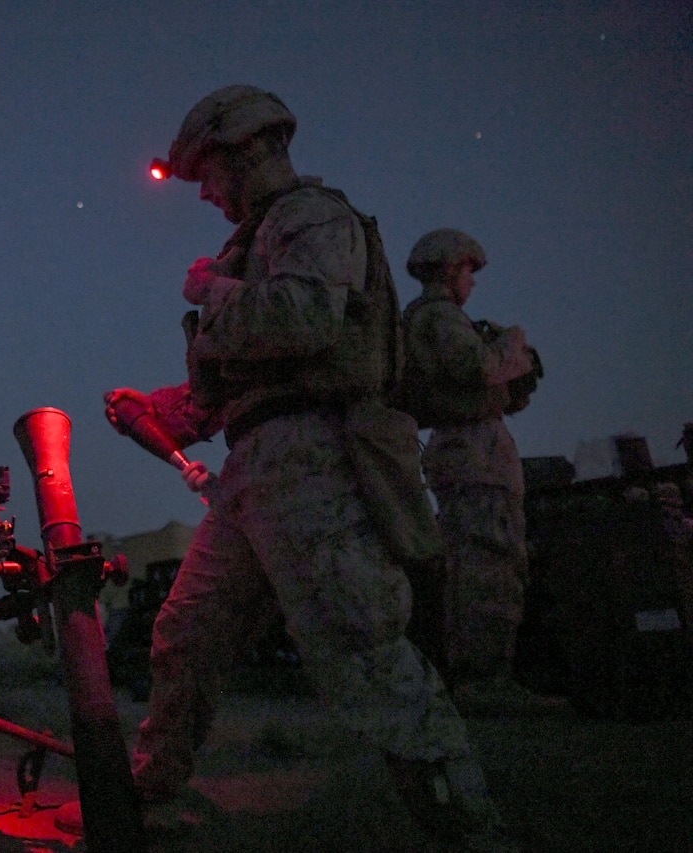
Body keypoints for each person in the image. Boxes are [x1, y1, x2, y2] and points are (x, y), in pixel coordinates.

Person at [103, 86, 515, 848]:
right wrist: (156, 408)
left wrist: (213, 293)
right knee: (186, 632)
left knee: (365, 648)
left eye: (210, 174)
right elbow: (230, 393)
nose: (208, 193)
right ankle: (148, 792)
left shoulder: (313, 220)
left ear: (247, 149)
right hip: (256, 469)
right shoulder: (255, 241)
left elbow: (307, 319)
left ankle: (472, 832)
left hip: (314, 460)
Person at [400, 230, 545, 705]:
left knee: (491, 561)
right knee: (485, 563)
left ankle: (484, 675)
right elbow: (478, 368)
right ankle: (482, 680)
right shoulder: (437, 316)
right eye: (467, 271)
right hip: (471, 453)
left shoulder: (440, 318)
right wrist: (512, 344)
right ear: (448, 268)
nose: (472, 283)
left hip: (475, 448)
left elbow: (486, 384)